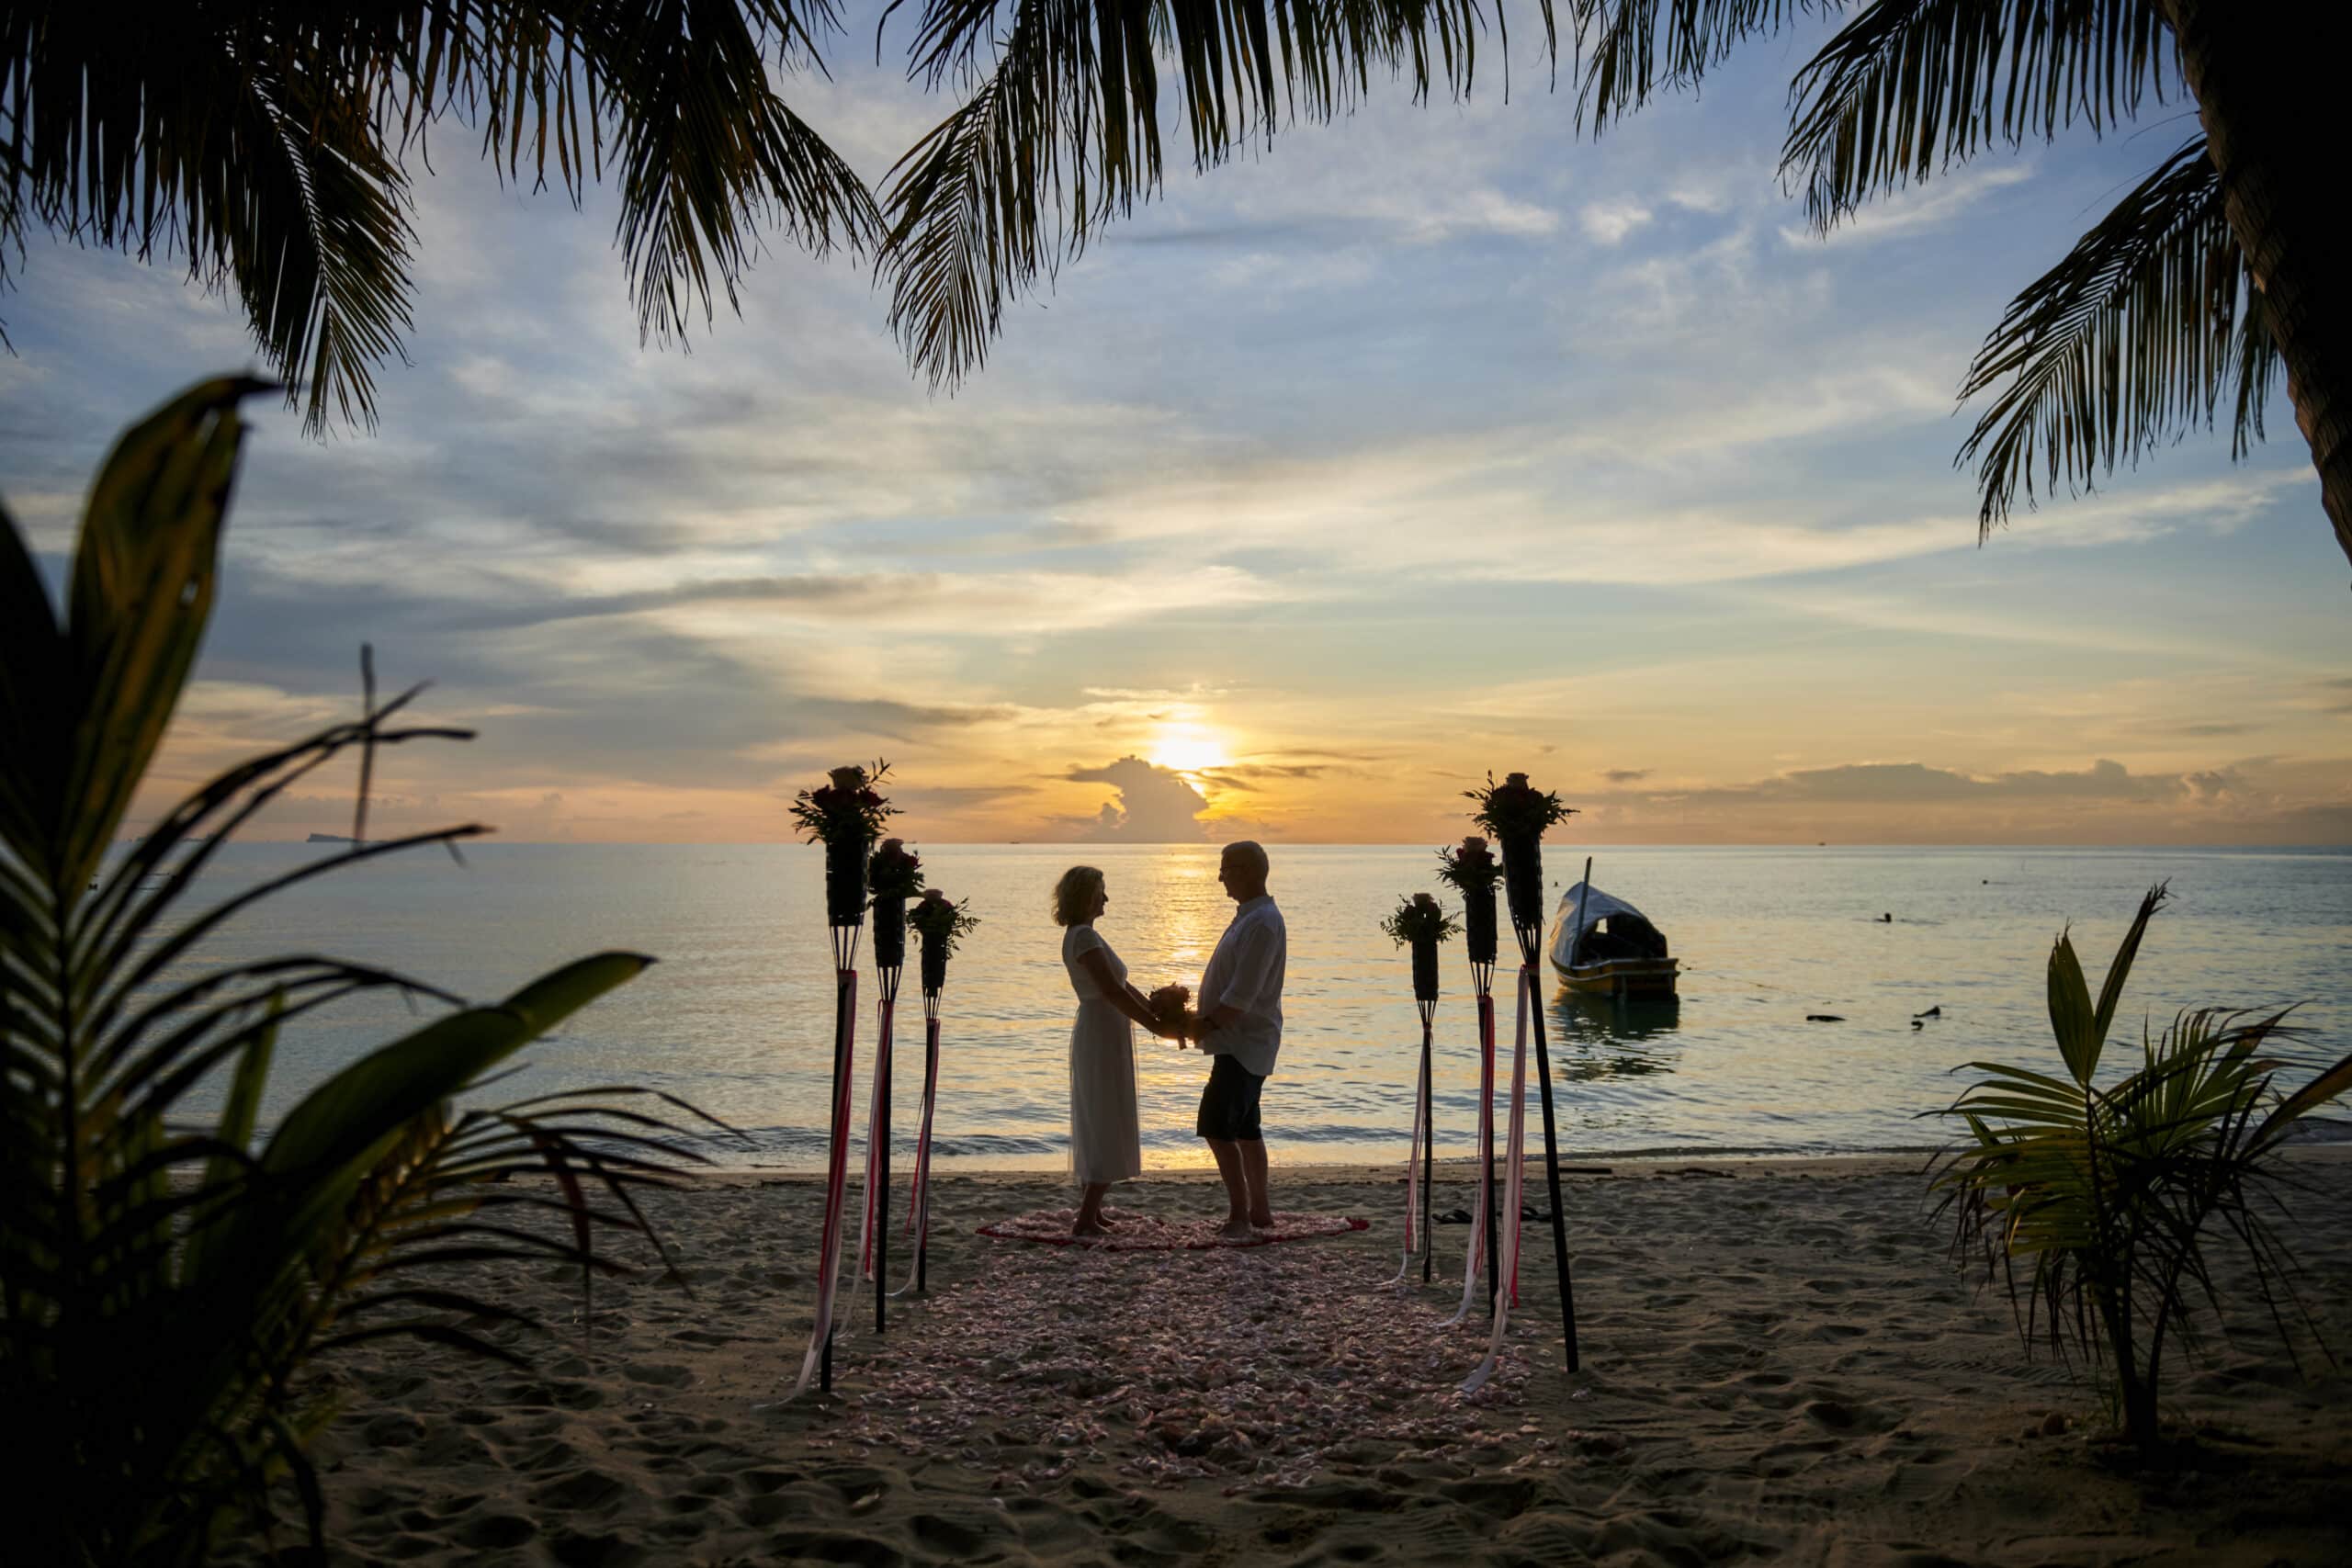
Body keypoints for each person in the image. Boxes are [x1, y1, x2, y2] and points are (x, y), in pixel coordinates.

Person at [1052, 865, 1160, 1236]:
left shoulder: (1085, 936)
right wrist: (1155, 1025)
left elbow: (1123, 986)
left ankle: (1092, 1213)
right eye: (1101, 891)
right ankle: (1085, 1219)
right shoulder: (1083, 938)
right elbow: (1112, 992)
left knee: (1102, 1113)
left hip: (1106, 1029)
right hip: (1101, 1030)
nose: (1107, 898)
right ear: (1086, 896)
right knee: (1103, 1117)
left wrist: (1157, 1011)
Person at [1191, 840, 1286, 1240]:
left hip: (1244, 1042)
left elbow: (1241, 996)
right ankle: (1259, 1210)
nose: (1220, 877)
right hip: (1235, 1042)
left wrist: (1201, 1025)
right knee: (1247, 1128)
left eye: (1226, 869)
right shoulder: (1249, 917)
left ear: (1246, 870)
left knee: (1216, 1126)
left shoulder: (1262, 922)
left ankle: (1240, 1214)